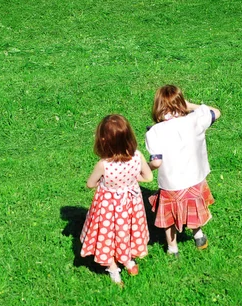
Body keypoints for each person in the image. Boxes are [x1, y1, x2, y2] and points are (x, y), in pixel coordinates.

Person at [145, 85, 221, 257]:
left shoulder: (154, 132)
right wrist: (191, 106)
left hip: (171, 184)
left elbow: (156, 162)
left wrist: (144, 169)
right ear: (182, 105)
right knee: (192, 207)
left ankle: (173, 249)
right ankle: (199, 237)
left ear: (158, 108)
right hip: (195, 179)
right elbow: (216, 112)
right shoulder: (194, 121)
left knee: (169, 217)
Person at [80, 114, 153, 287]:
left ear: (103, 141)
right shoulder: (137, 156)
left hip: (108, 206)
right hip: (130, 203)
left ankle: (114, 270)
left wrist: (104, 183)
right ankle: (128, 261)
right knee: (126, 230)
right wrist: (132, 180)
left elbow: (90, 184)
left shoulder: (103, 165)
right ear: (128, 137)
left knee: (108, 235)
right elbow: (148, 177)